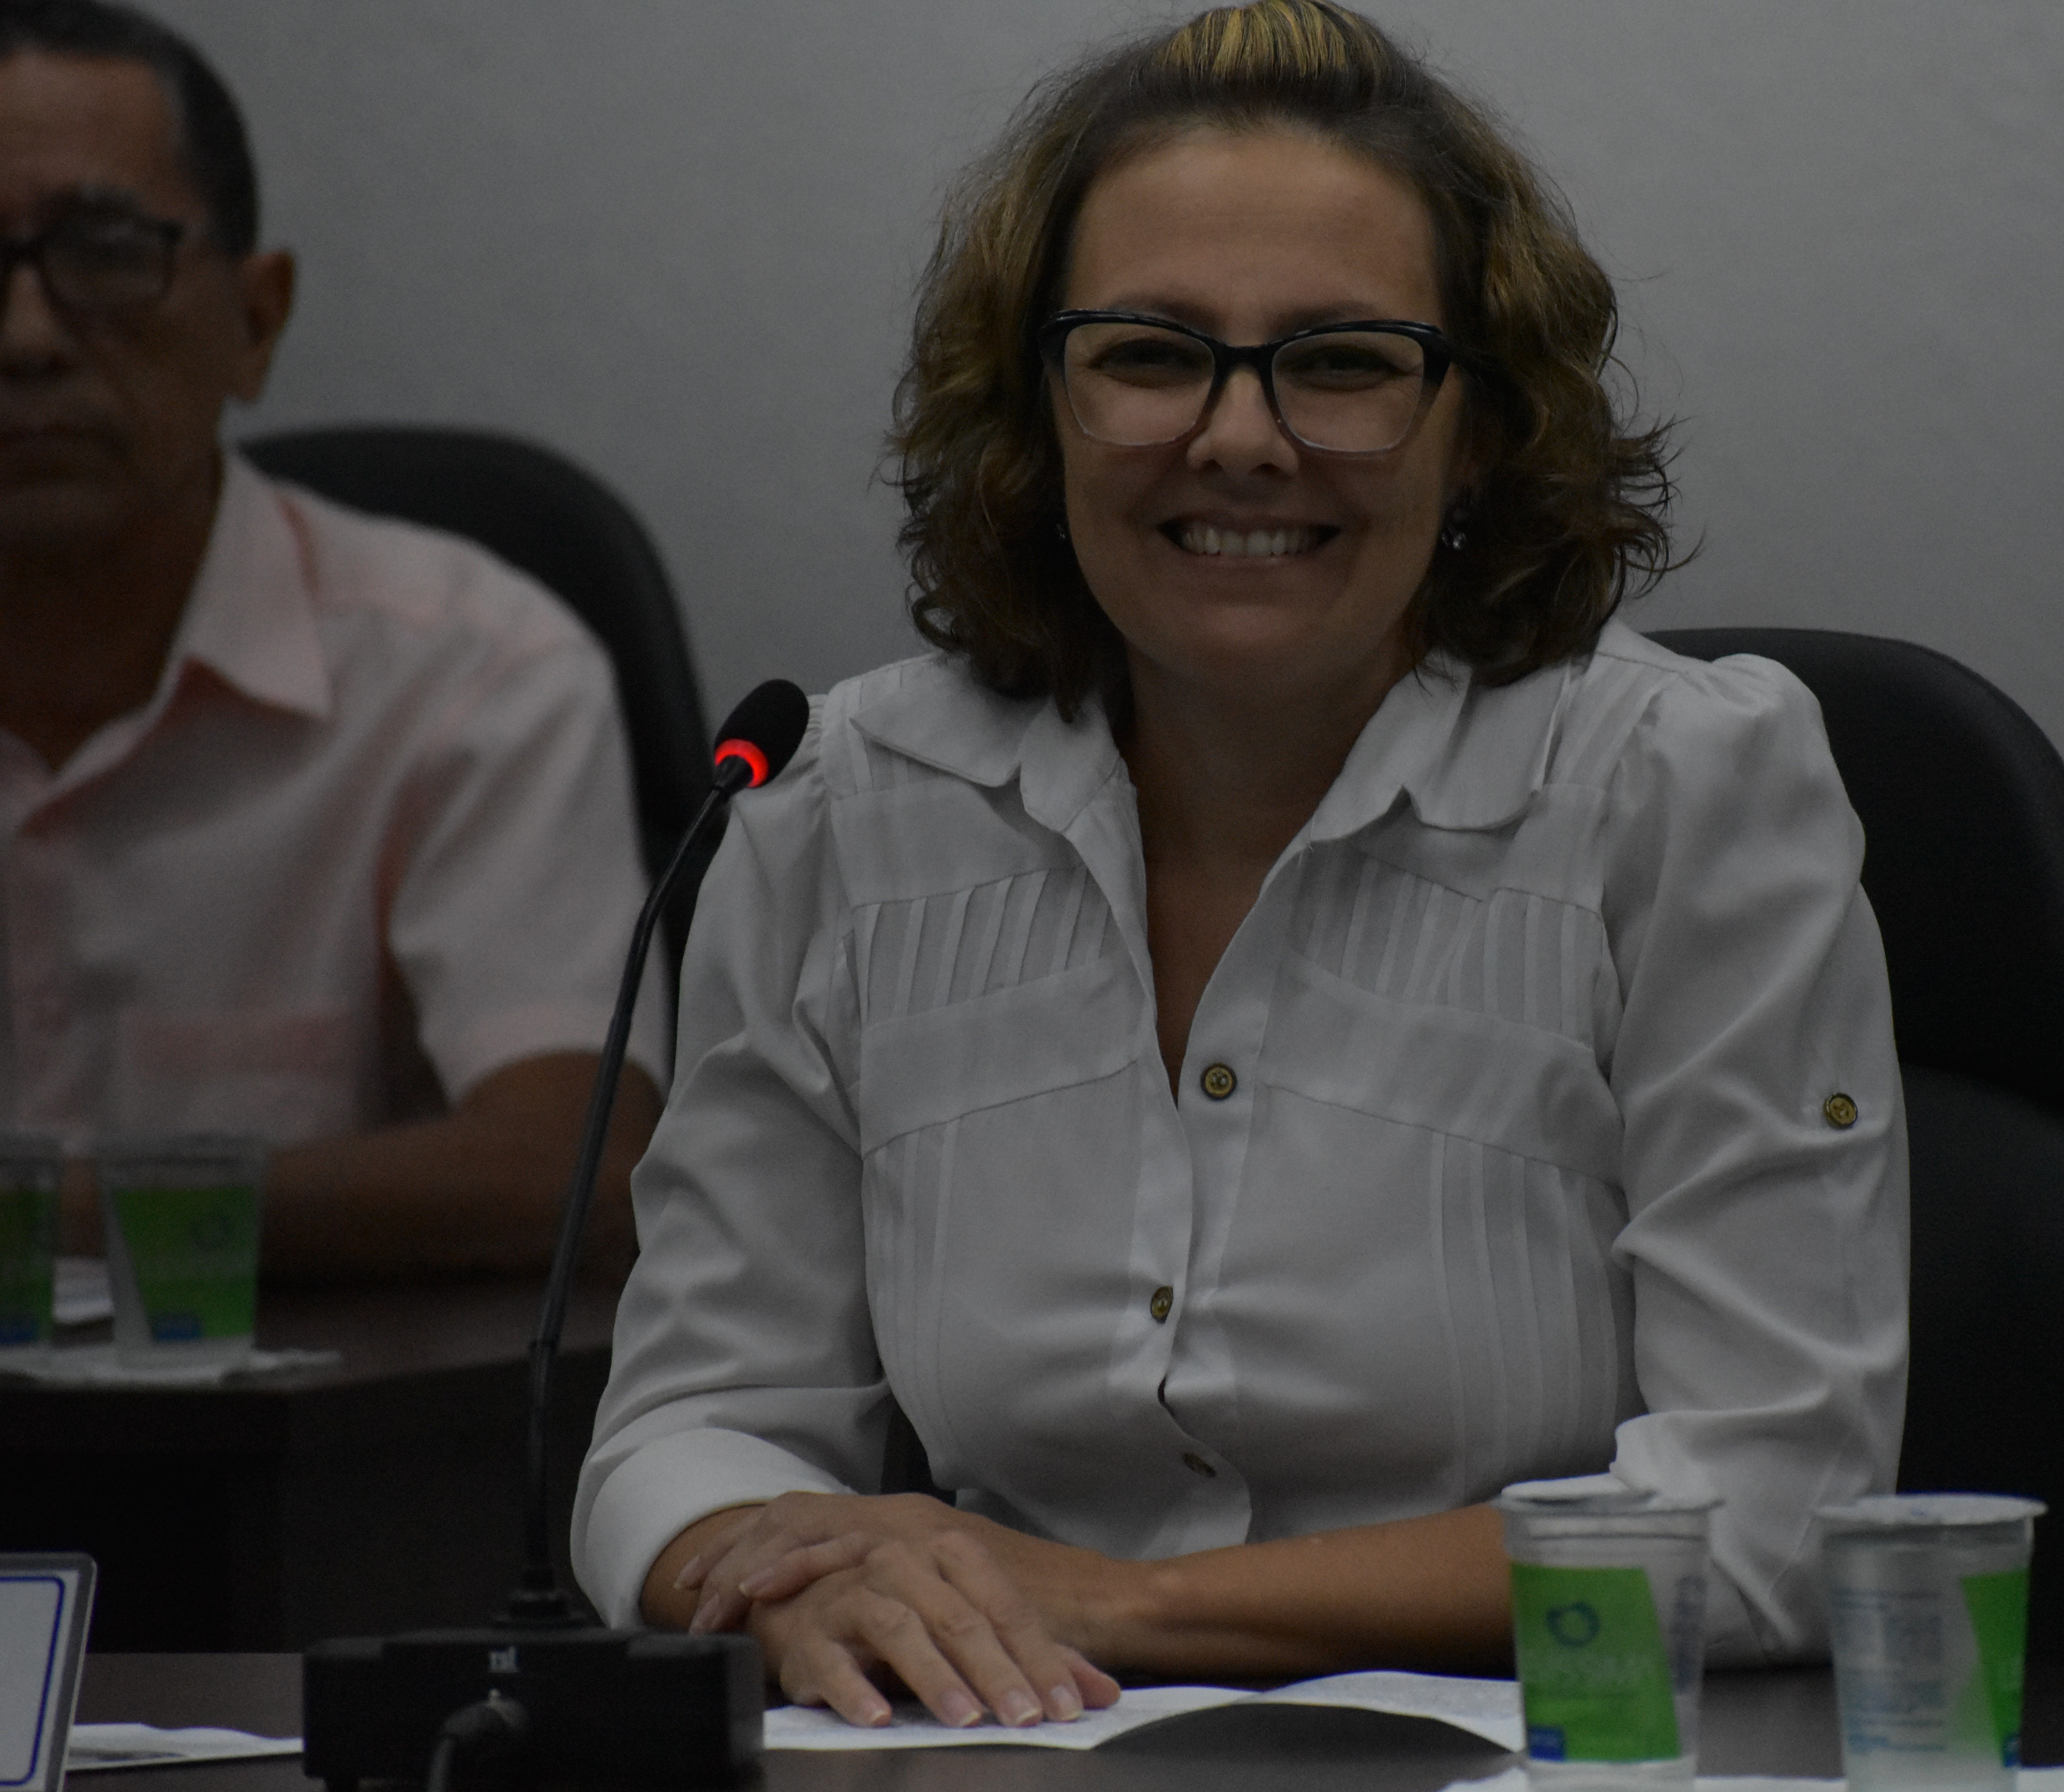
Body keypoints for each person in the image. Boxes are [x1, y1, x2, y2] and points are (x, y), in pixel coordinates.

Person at [574, 0, 1905, 1732]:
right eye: (1150, 353)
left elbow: (1780, 1512)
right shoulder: (833, 812)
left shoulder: (1683, 790)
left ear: (1479, 427)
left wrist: (1132, 1608)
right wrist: (780, 1573)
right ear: (1038, 405)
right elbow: (685, 1431)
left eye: (1343, 362)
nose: (1241, 437)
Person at [0, 0, 661, 1279]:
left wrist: (54, 1219)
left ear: (257, 321)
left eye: (105, 253)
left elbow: (570, 1170)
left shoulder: (471, 672)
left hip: (329, 1408)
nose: (26, 339)